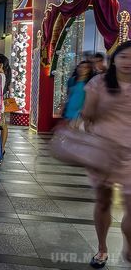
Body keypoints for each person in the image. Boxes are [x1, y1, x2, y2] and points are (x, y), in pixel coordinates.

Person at [80, 41, 131, 269]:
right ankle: (102, 248)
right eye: (124, 57)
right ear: (114, 60)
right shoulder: (99, 82)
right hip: (103, 152)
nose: (128, 62)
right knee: (103, 202)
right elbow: (87, 114)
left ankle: (129, 246)